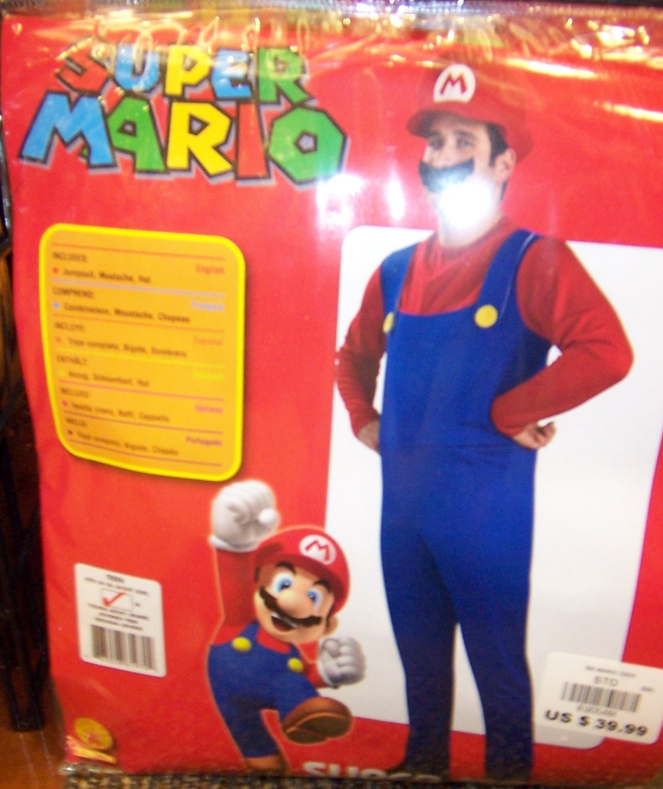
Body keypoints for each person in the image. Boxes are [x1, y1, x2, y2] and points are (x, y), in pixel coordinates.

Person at [336, 63, 634, 781]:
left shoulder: (534, 259)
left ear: (503, 163)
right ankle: (422, 762)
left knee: (496, 660)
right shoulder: (396, 269)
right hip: (403, 511)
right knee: (418, 652)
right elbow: (353, 356)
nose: (442, 154)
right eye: (435, 140)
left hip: (486, 515)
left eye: (463, 140)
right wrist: (363, 418)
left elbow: (607, 351)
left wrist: (515, 407)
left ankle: (508, 772)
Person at [207, 480, 366, 774]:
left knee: (292, 684)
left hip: (279, 687)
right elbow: (233, 581)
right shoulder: (241, 619)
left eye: (314, 597)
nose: (293, 603)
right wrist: (235, 543)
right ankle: (272, 746)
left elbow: (305, 675)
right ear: (255, 582)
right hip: (230, 685)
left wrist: (327, 673)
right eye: (284, 583)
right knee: (251, 731)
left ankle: (302, 720)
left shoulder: (292, 655)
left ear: (326, 626)